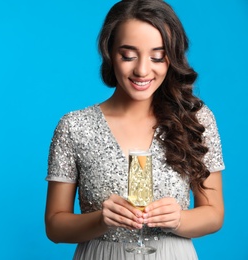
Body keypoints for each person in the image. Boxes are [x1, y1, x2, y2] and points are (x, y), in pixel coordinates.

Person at [44, 0, 225, 259]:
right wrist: (101, 220)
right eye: (128, 55)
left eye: (157, 57)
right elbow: (54, 226)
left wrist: (178, 219)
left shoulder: (195, 119)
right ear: (109, 52)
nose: (142, 70)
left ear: (171, 58)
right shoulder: (75, 126)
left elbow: (214, 214)